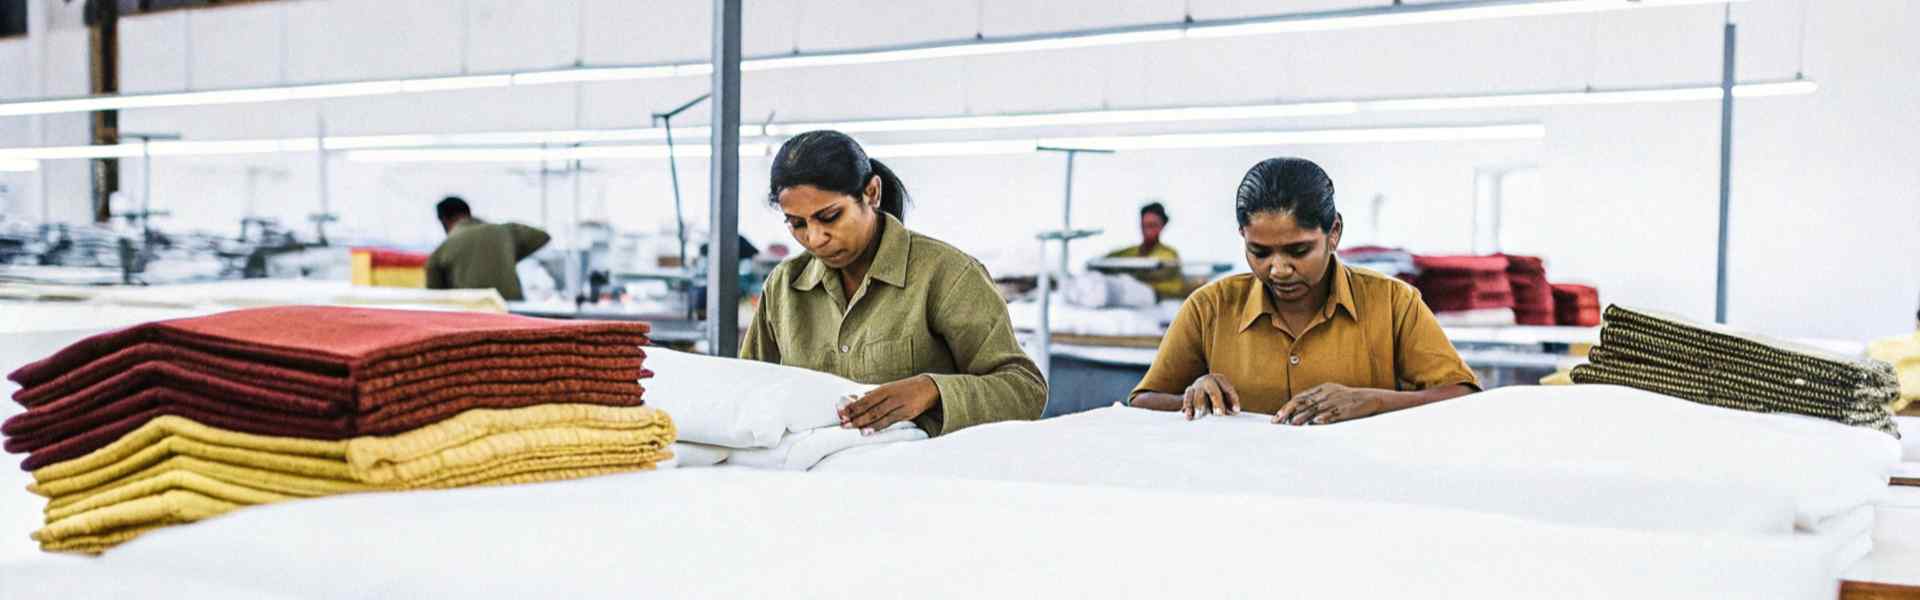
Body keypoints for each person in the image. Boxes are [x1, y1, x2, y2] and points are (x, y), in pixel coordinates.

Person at [1128, 157, 1477, 425]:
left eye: (1298, 251)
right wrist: (1193, 398)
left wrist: (1372, 401)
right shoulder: (1210, 308)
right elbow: (1142, 402)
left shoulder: (1392, 303)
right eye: (1259, 252)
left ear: (1334, 231)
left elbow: (1463, 397)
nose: (1278, 269)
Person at [741, 130, 1046, 436]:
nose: (815, 238)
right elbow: (744, 390)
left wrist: (932, 391)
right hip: (816, 477)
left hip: (919, 475)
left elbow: (1025, 390)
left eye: (831, 216)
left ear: (871, 193)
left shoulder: (946, 275)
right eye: (797, 224)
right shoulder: (784, 287)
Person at [425, 196, 551, 302]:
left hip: (473, 321)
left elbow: (436, 300)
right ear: (468, 213)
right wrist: (507, 254)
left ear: (444, 220)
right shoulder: (505, 231)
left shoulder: (441, 252)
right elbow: (543, 236)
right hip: (514, 316)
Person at [1104, 202, 1184, 299]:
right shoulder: (1129, 252)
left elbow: (1160, 270)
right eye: (1144, 225)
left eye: (1152, 225)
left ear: (1162, 226)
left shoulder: (1169, 254)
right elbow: (1105, 262)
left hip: (1159, 298)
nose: (1147, 230)